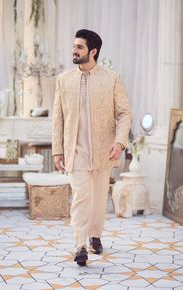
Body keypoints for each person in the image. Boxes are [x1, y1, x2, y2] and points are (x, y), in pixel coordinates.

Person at [52, 29, 131, 266]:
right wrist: (58, 150)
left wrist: (119, 142)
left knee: (98, 198)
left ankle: (95, 235)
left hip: (103, 149)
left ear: (93, 51)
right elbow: (58, 117)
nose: (74, 51)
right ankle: (80, 245)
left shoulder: (111, 79)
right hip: (75, 151)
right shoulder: (63, 79)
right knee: (80, 196)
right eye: (74, 46)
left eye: (79, 47)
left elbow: (124, 113)